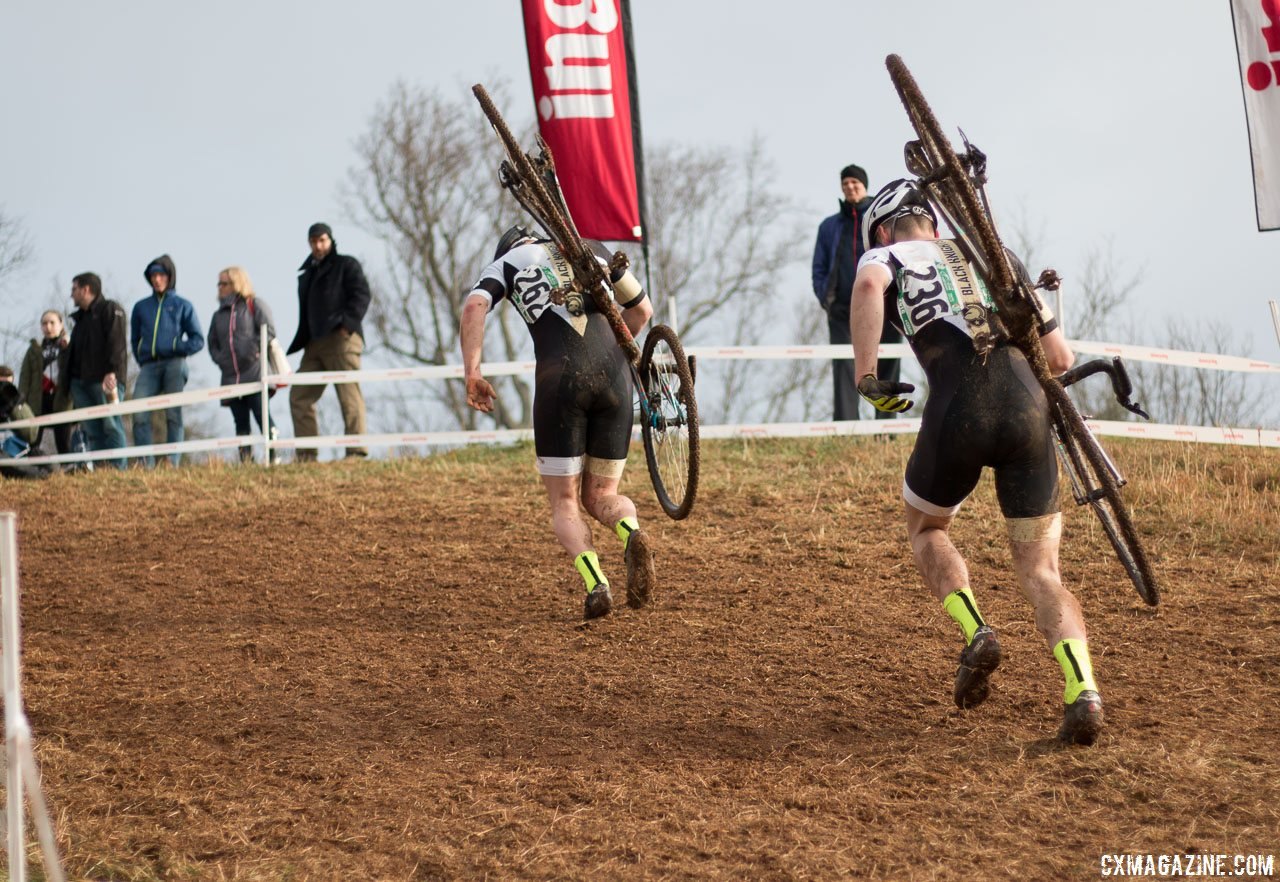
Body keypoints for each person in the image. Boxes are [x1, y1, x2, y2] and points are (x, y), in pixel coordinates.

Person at [849, 179, 1103, 745]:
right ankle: (1082, 689)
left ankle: (976, 630)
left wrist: (866, 379)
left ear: (886, 228)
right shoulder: (991, 249)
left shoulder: (884, 253)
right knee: (1042, 573)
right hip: (1026, 408)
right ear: (933, 224)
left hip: (957, 407)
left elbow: (869, 285)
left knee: (927, 527)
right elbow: (1061, 357)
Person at [460, 226, 657, 620]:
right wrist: (617, 354)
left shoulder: (507, 264)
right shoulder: (593, 248)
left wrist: (472, 372)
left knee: (566, 501)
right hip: (614, 378)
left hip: (560, 382)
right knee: (602, 495)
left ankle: (596, 582)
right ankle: (632, 532)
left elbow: (474, 306)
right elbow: (642, 312)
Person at [811, 163, 904, 421]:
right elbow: (818, 267)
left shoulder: (881, 221)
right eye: (845, 184)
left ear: (865, 185)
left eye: (855, 183)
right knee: (844, 366)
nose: (850, 187)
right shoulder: (828, 227)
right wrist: (825, 297)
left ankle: (885, 428)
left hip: (884, 306)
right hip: (842, 311)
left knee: (887, 363)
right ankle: (847, 426)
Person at [288, 222, 371, 461]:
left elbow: (362, 294)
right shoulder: (307, 273)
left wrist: (347, 325)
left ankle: (356, 451)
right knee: (299, 395)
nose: (318, 245)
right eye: (313, 241)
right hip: (314, 343)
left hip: (342, 339)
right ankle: (306, 454)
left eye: (322, 240)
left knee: (348, 394)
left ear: (330, 240)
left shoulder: (346, 265)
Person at [131, 254, 204, 467]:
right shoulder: (141, 307)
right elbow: (134, 338)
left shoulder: (183, 305)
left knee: (173, 413)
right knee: (138, 412)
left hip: (174, 364)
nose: (157, 279)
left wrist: (175, 347)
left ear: (170, 277)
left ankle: (172, 461)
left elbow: (198, 340)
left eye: (161, 274)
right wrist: (142, 356)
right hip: (149, 367)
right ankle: (146, 464)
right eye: (153, 275)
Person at [207, 266, 279, 463]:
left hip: (255, 373)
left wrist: (253, 351)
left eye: (224, 283)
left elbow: (269, 331)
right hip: (230, 377)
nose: (219, 287)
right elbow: (212, 343)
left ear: (236, 283)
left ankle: (273, 456)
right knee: (240, 422)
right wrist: (221, 360)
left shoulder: (254, 305)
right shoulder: (218, 315)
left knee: (262, 415)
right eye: (219, 283)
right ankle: (246, 461)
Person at [61, 272, 128, 469]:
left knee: (111, 425)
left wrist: (112, 372)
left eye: (74, 289)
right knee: (93, 429)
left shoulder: (110, 309)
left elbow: (117, 342)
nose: (71, 294)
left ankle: (118, 471)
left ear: (86, 289)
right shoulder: (80, 320)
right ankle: (102, 471)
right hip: (80, 383)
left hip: (105, 381)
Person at [18, 310, 73, 456]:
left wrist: (67, 346)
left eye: (52, 323)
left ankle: (68, 472)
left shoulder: (68, 346)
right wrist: (22, 398)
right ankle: (31, 472)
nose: (48, 327)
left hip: (61, 399)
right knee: (33, 441)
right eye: (44, 323)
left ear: (61, 324)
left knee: (63, 442)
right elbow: (25, 376)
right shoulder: (34, 349)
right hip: (38, 400)